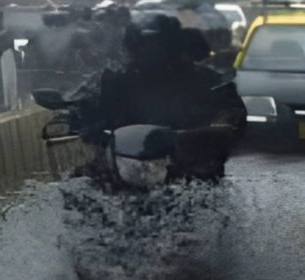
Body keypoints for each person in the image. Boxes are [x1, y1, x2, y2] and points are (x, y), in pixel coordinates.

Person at [72, 15, 246, 182]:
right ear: (132, 48)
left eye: (158, 45)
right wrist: (78, 119)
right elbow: (85, 107)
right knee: (79, 183)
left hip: (191, 172)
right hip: (122, 170)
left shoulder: (207, 80)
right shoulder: (113, 81)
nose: (150, 52)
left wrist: (192, 136)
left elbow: (231, 118)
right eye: (143, 45)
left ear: (174, 47)